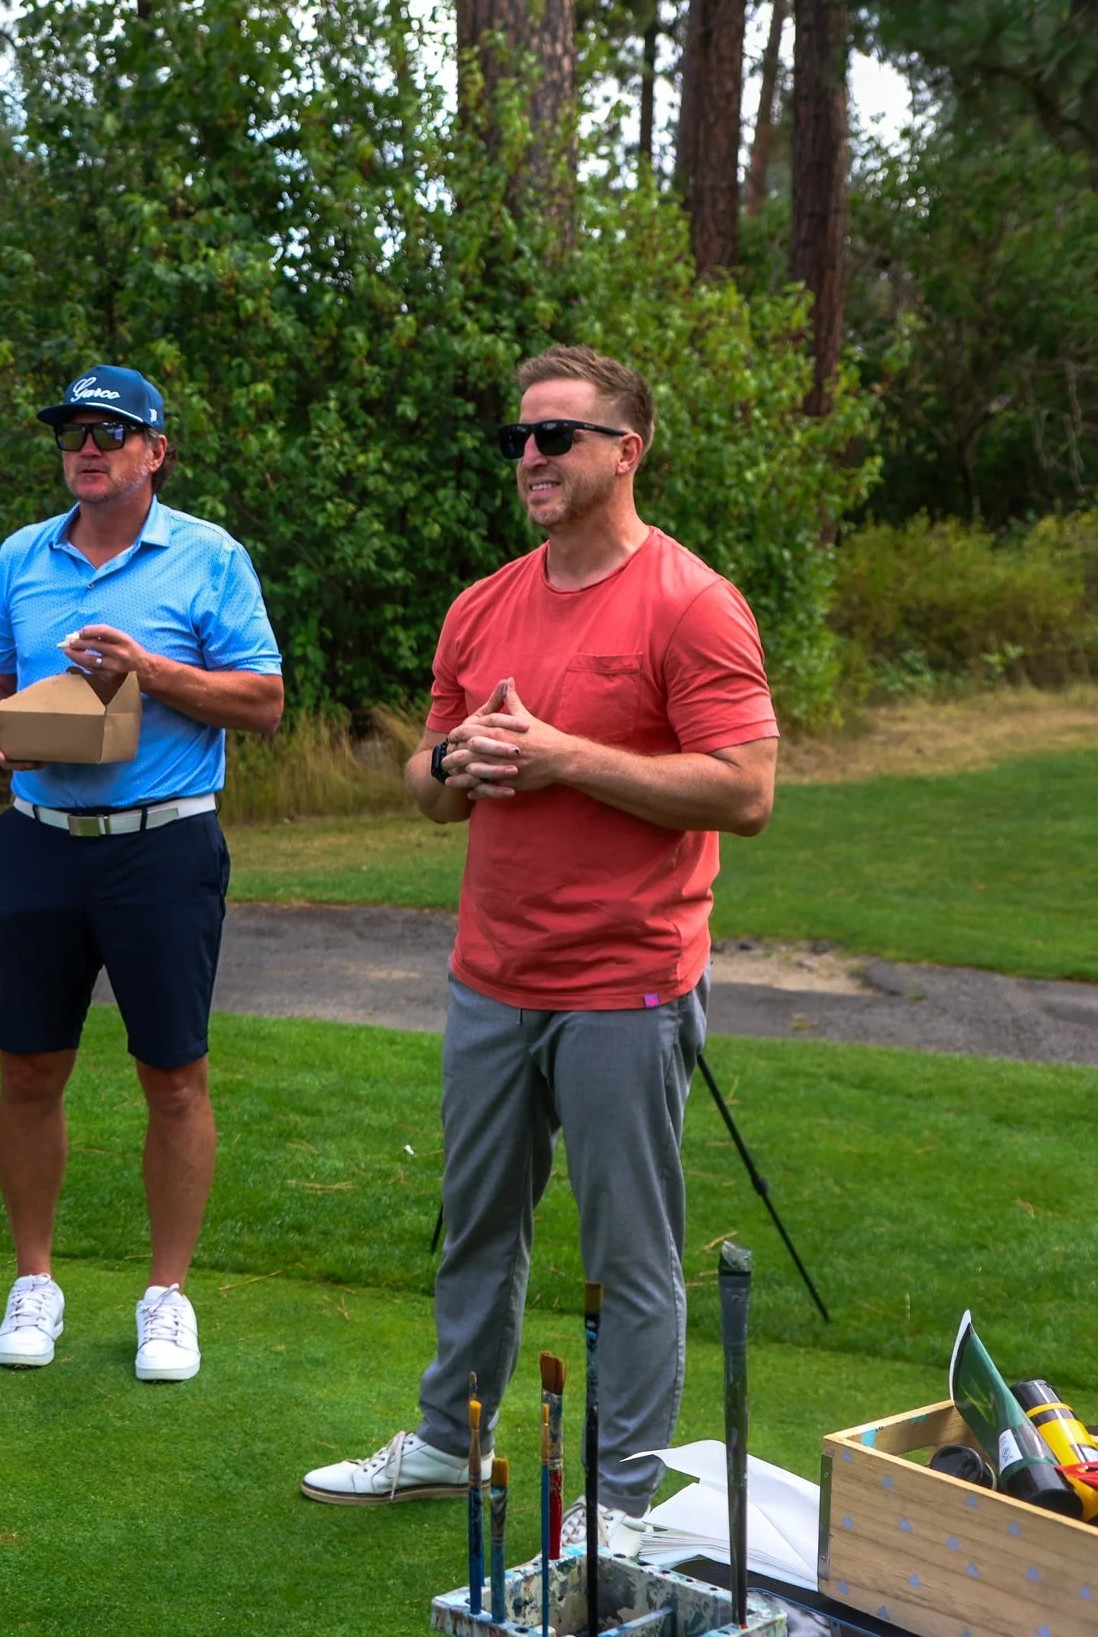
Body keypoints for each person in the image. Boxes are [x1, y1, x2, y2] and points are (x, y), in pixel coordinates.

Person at [299, 346, 778, 1551]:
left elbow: (745, 788)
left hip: (627, 980)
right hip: (490, 975)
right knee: (476, 1228)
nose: (529, 455)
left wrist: (566, 756)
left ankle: (616, 1506)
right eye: (519, 436)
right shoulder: (482, 602)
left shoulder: (691, 600)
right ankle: (450, 1440)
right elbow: (426, 782)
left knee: (630, 1254)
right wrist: (452, 762)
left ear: (629, 449)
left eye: (558, 435)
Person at [0, 365, 284, 1384]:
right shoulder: (22, 553)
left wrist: (148, 670)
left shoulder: (208, 556)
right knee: (27, 1066)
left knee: (174, 1074)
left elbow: (265, 699)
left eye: (111, 431)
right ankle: (35, 1281)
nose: (86, 447)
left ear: (155, 452)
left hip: (162, 844)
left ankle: (166, 1296)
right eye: (72, 432)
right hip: (42, 835)